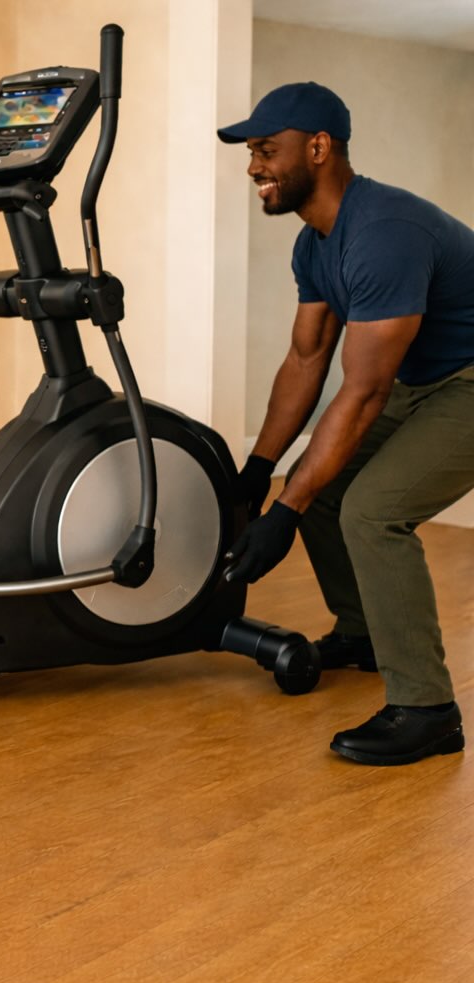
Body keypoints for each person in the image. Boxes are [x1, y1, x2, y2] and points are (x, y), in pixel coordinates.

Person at [217, 82, 474, 766]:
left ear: (320, 148)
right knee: (326, 493)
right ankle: (362, 633)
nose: (254, 168)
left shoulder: (385, 233)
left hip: (468, 384)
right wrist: (258, 470)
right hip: (423, 381)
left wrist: (283, 511)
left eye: (267, 151)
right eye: (252, 153)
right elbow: (306, 360)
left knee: (370, 511)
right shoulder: (315, 244)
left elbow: (361, 394)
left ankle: (428, 709)